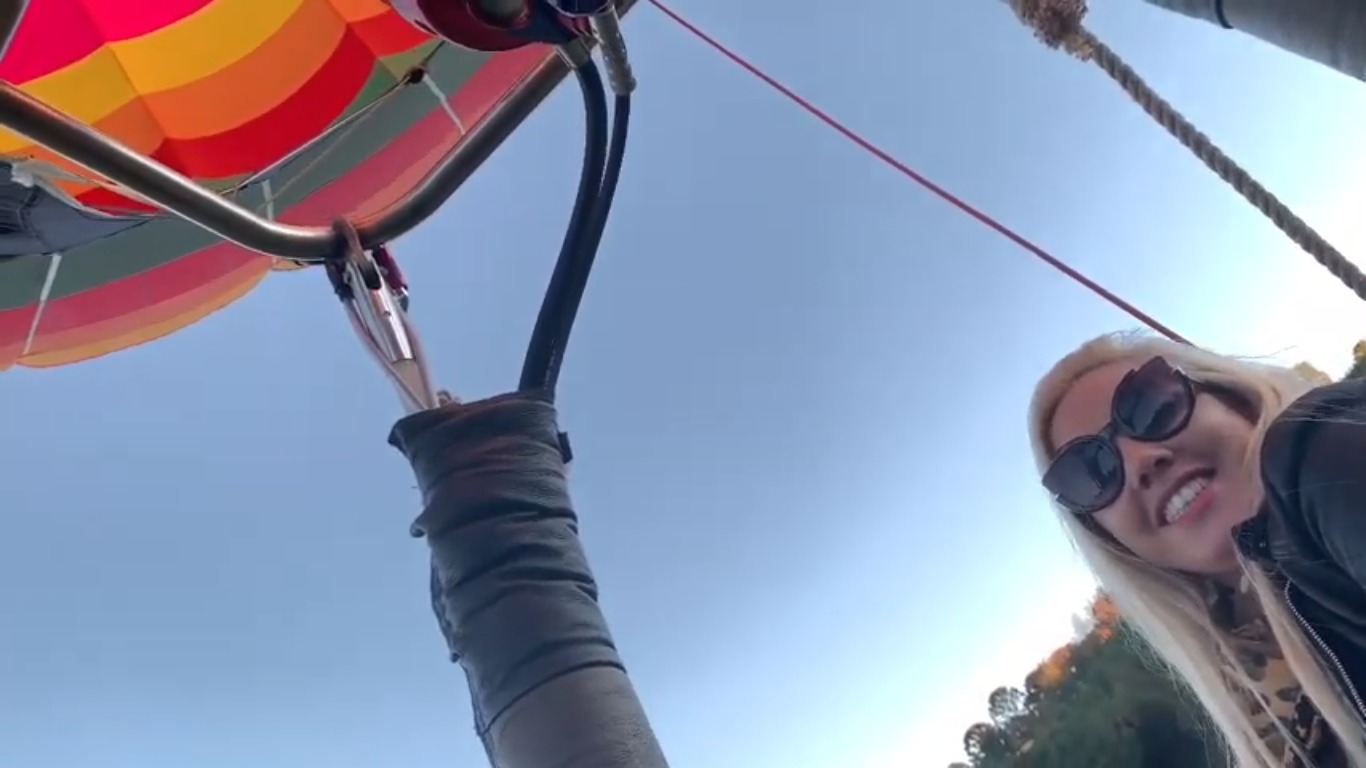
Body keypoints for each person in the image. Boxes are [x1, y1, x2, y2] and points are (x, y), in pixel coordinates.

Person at [1028, 330, 1366, 767]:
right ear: (1113, 540)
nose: (1140, 461)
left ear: (1234, 399)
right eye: (1090, 473)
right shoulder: (1268, 706)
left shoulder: (1323, 449)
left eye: (1152, 404)